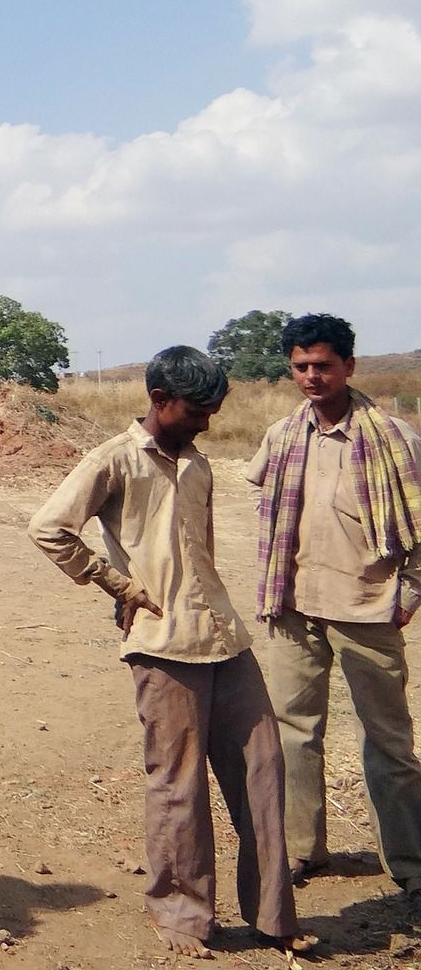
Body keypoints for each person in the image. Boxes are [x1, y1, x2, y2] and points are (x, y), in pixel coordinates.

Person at [29, 346, 304, 959]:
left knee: (263, 771)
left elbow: (197, 558)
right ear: (159, 401)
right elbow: (48, 527)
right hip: (163, 645)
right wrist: (119, 586)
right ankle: (181, 916)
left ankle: (273, 914)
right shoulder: (114, 461)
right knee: (178, 786)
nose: (207, 421)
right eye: (197, 410)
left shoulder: (198, 466)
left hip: (226, 640)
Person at [248, 312, 421, 898]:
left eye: (323, 364)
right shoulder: (281, 436)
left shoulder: (396, 440)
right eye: (301, 366)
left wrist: (411, 591)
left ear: (350, 365)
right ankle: (303, 851)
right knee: (293, 733)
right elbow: (269, 512)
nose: (312, 376)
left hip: (368, 608)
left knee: (389, 742)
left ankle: (409, 864)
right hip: (294, 608)